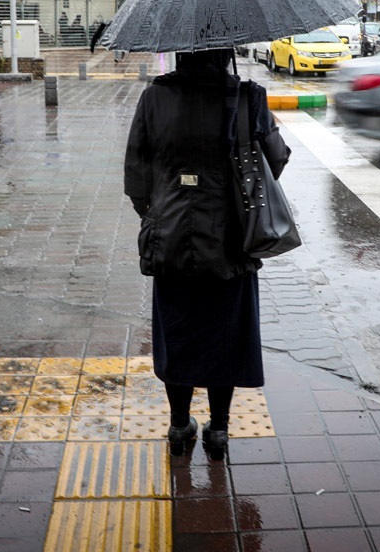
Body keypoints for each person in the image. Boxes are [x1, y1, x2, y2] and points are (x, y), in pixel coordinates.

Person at [124, 48, 291, 457]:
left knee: (177, 334)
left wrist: (158, 211)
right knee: (226, 337)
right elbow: (276, 160)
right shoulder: (248, 97)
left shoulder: (154, 98)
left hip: (171, 239)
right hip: (231, 242)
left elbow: (136, 175)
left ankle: (180, 426)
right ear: (226, 50)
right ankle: (219, 430)